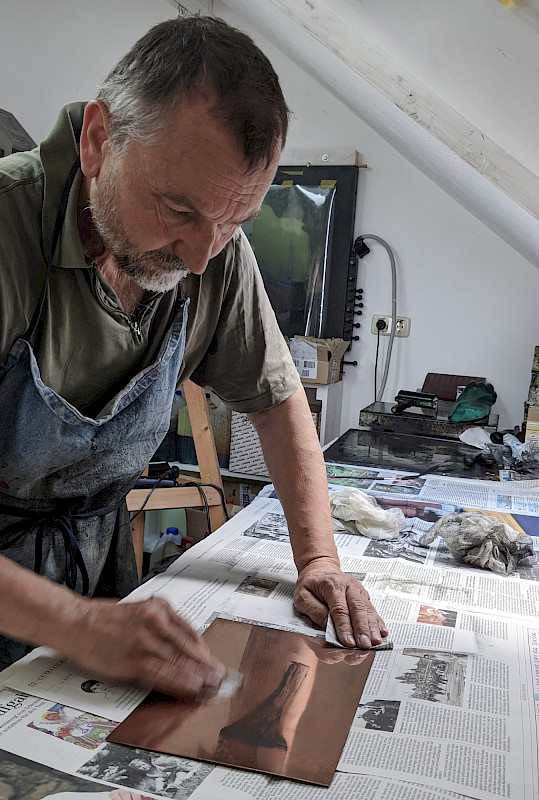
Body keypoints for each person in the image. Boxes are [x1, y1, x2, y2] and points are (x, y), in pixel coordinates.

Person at [0, 16, 387, 695]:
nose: (201, 254)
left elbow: (275, 401)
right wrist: (78, 626)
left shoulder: (212, 250)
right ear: (97, 141)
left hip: (91, 581)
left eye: (234, 222)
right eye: (177, 209)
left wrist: (318, 558)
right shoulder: (6, 230)